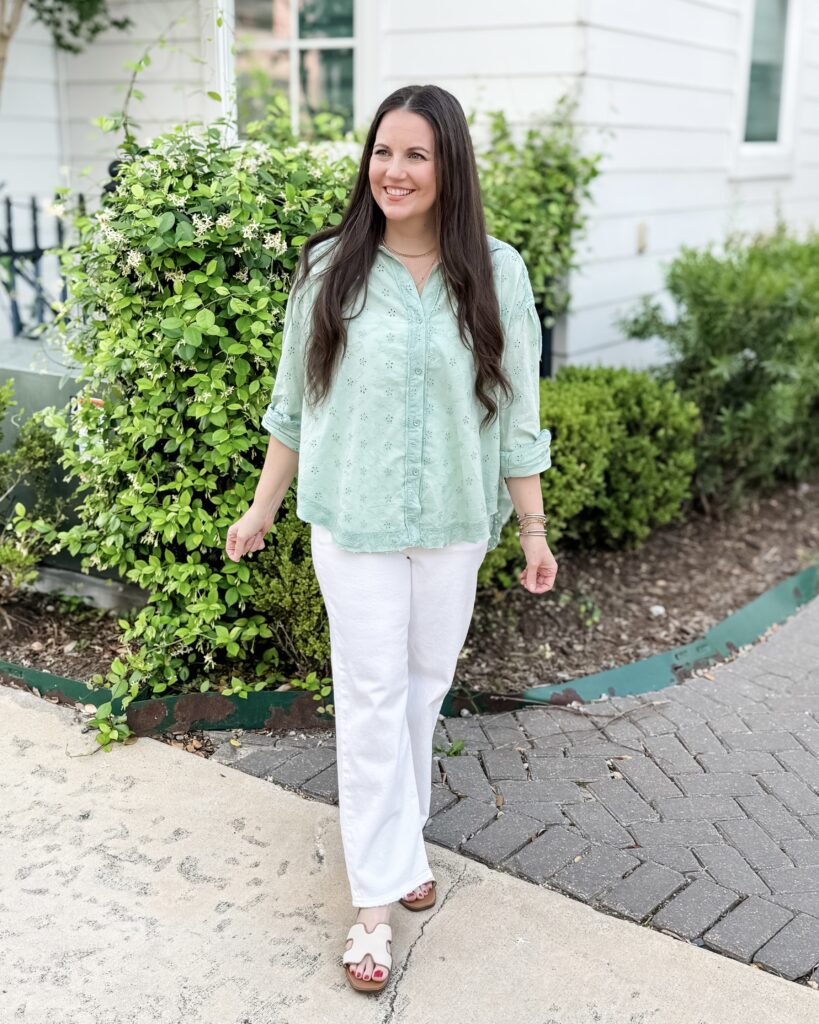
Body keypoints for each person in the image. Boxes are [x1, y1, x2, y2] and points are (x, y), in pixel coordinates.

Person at [225, 83, 558, 994]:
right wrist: (260, 510)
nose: (394, 171)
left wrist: (531, 531)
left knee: (420, 690)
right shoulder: (329, 268)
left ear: (448, 166)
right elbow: (292, 408)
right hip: (356, 522)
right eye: (382, 151)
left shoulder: (497, 272)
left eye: (415, 154)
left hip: (453, 522)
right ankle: (372, 905)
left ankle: (401, 845)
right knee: (371, 697)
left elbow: (518, 417)